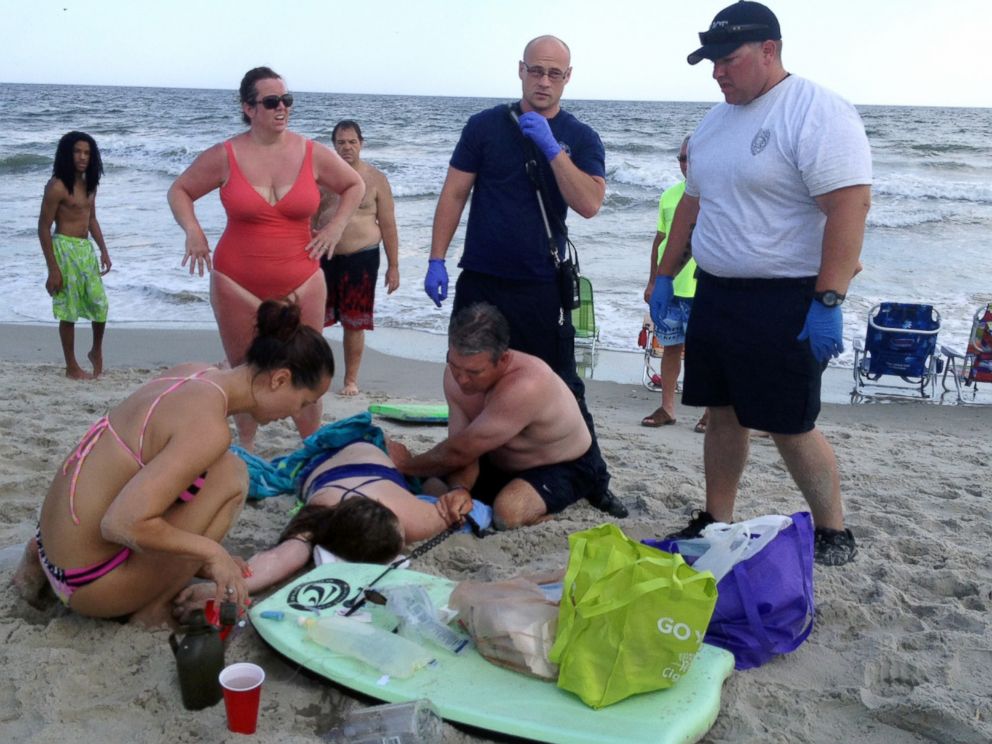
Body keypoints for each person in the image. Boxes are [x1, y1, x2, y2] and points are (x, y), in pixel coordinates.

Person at [649, 1, 871, 566]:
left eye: (728, 59)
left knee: (790, 423)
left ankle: (833, 529)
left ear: (769, 50)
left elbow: (849, 207)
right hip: (718, 294)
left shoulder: (815, 111)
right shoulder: (714, 121)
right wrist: (664, 275)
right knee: (721, 413)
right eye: (712, 62)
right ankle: (716, 516)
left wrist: (828, 300)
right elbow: (692, 206)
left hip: (786, 296)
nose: (718, 71)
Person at [12, 300, 335, 626]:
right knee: (232, 476)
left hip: (52, 549)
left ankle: (38, 560)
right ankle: (153, 610)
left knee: (216, 468)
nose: (295, 414)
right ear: (279, 379)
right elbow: (121, 523)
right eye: (303, 402)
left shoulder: (195, 373)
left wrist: (198, 556)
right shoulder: (209, 428)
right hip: (88, 586)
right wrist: (212, 552)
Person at [422, 35, 626, 519]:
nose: (544, 81)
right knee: (470, 375)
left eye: (555, 74)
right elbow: (454, 195)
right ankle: (474, 469)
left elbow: (590, 204)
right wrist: (435, 258)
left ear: (568, 78)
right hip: (482, 278)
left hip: (540, 283)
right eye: (536, 71)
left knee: (561, 383)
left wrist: (554, 150)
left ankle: (593, 478)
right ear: (521, 70)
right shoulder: (485, 126)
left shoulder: (582, 136)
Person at [168, 66, 364, 450]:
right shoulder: (226, 155)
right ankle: (246, 451)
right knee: (246, 373)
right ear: (248, 107)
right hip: (236, 281)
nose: (282, 108)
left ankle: (309, 451)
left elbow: (353, 185)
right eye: (271, 101)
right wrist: (193, 231)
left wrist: (335, 228)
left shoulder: (311, 152)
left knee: (306, 371)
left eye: (286, 100)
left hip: (302, 280)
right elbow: (180, 190)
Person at [172, 439, 477, 612]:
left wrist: (457, 494)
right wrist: (222, 591)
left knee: (427, 476)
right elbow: (280, 559)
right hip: (342, 460)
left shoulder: (325, 516)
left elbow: (281, 557)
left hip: (346, 459)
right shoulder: (417, 520)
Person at [393, 303, 599, 530]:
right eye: (454, 365)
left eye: (474, 372)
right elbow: (462, 445)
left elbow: (461, 450)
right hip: (493, 458)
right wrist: (459, 490)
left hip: (563, 465)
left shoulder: (527, 384)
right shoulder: (455, 377)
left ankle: (549, 515)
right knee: (434, 490)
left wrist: (404, 465)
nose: (461, 380)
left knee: (507, 514)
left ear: (503, 359)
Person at [313, 119, 400, 396]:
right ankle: (315, 375)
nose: (347, 147)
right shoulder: (323, 180)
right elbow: (308, 220)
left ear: (361, 143)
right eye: (341, 142)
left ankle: (350, 380)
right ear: (333, 145)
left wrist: (394, 267)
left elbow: (388, 225)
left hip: (361, 258)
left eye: (352, 141)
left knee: (354, 322)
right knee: (314, 319)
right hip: (323, 257)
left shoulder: (375, 179)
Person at [641, 136, 708, 432]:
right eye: (681, 159)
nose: (686, 165)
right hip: (671, 290)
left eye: (690, 158)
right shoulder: (669, 196)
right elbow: (660, 241)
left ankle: (711, 411)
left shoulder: (715, 195)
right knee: (670, 348)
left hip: (703, 291)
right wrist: (653, 281)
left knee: (705, 353)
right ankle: (667, 407)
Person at [38, 131, 112, 380]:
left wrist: (103, 249)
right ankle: (71, 367)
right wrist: (53, 269)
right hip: (64, 250)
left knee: (100, 305)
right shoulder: (57, 185)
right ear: (67, 154)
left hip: (84, 250)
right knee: (68, 310)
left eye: (87, 153)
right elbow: (43, 227)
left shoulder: (90, 185)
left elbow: (92, 219)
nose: (82, 157)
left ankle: (95, 350)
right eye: (77, 152)